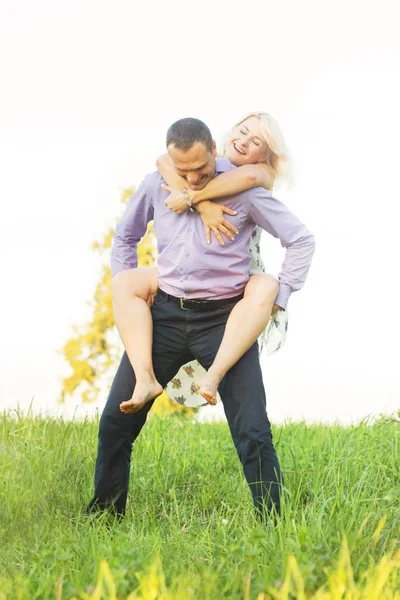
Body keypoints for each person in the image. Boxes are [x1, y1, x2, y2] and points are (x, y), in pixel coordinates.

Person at [86, 117, 315, 519]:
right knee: (115, 423)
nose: (192, 179)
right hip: (165, 316)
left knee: (252, 430)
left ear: (214, 148)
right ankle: (104, 517)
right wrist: (125, 279)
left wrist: (281, 295)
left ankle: (274, 523)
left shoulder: (244, 190)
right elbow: (125, 236)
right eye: (184, 171)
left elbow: (300, 239)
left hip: (224, 323)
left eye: (201, 171)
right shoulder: (159, 181)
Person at [112, 112, 292, 411]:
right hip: (180, 286)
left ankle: (215, 376)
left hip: (235, 286)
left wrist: (194, 199)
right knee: (125, 284)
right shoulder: (199, 163)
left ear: (267, 154)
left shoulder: (259, 175)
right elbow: (163, 160)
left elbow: (246, 179)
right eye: (242, 131)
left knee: (266, 287)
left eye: (256, 140)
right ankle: (146, 379)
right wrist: (203, 204)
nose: (245, 142)